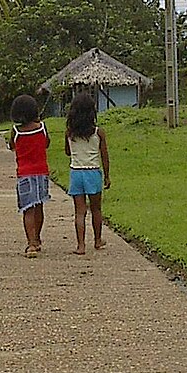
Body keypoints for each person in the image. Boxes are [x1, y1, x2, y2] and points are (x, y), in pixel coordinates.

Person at [64, 92, 110, 255]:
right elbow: (104, 156)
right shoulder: (98, 133)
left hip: (76, 173)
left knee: (79, 211)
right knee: (96, 209)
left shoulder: (69, 132)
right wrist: (107, 176)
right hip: (93, 173)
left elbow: (68, 152)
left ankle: (81, 245)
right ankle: (97, 240)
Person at [7, 94, 50, 258]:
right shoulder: (42, 128)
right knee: (39, 206)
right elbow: (46, 143)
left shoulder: (16, 131)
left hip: (24, 174)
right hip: (41, 173)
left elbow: (12, 146)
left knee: (27, 210)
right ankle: (37, 238)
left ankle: (31, 243)